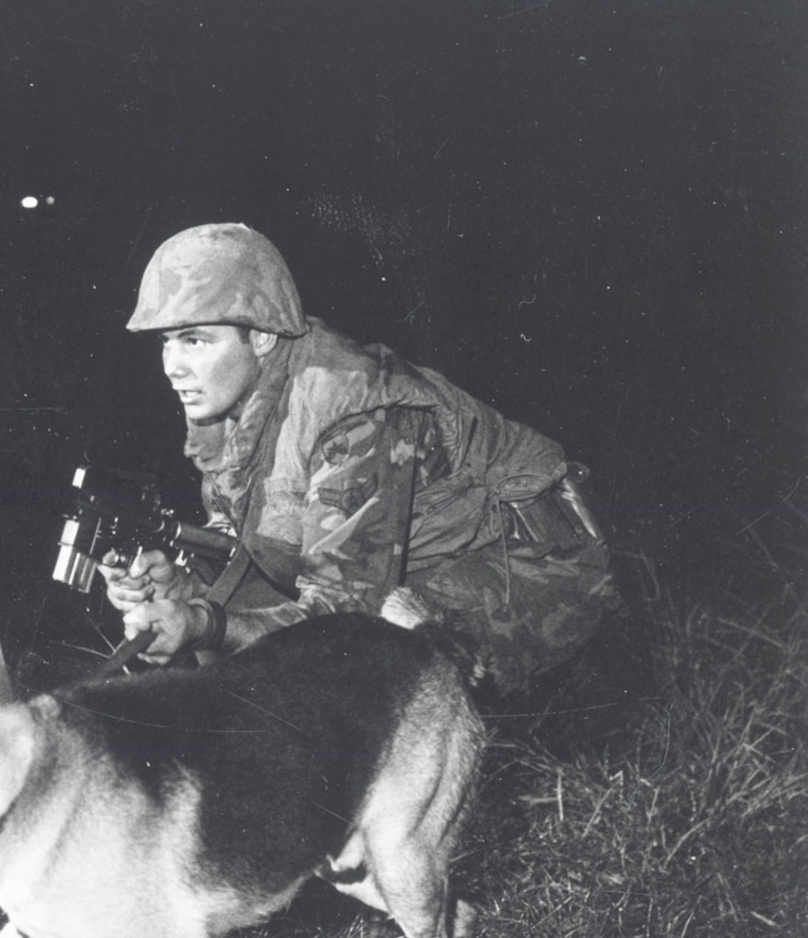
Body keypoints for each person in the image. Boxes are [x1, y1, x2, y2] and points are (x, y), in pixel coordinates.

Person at [99, 222, 617, 695]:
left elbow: (343, 615)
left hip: (532, 568)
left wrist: (203, 621)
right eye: (168, 343)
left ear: (259, 337)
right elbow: (260, 550)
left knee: (379, 646)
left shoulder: (352, 414)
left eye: (195, 341)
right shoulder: (226, 407)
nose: (174, 367)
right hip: (408, 571)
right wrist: (186, 589)